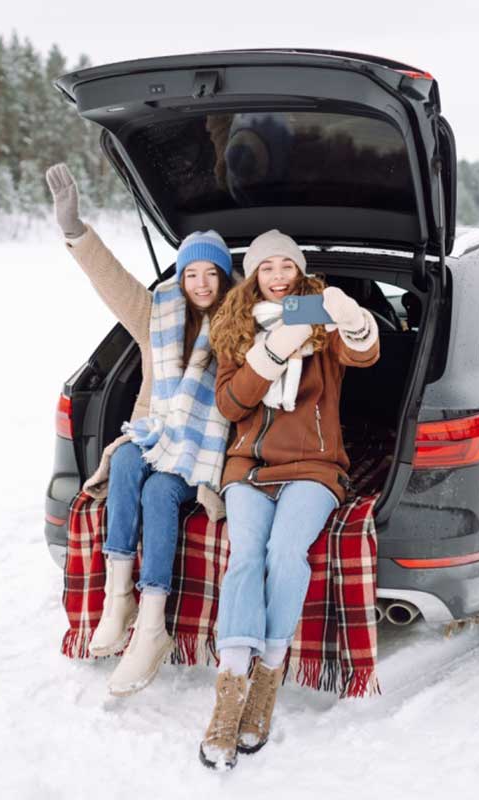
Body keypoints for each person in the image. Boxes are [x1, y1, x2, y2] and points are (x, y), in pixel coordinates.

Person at [45, 163, 234, 696]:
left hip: (200, 449)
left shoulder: (237, 323)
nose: (200, 283)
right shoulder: (156, 314)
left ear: (223, 279)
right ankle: (118, 596)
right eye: (191, 273)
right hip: (155, 435)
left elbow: (286, 312)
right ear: (181, 277)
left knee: (158, 492)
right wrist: (74, 230)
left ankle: (153, 626)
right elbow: (110, 278)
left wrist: (325, 300)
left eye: (210, 274)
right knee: (126, 459)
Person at [198, 229, 380, 770]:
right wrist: (274, 349)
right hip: (249, 467)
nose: (278, 277)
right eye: (267, 268)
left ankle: (267, 681)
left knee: (285, 554)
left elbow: (364, 354)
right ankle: (228, 699)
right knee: (246, 556)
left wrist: (353, 319)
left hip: (315, 467)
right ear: (254, 275)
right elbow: (232, 404)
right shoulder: (233, 324)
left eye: (286, 266)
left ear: (298, 271)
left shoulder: (319, 314)